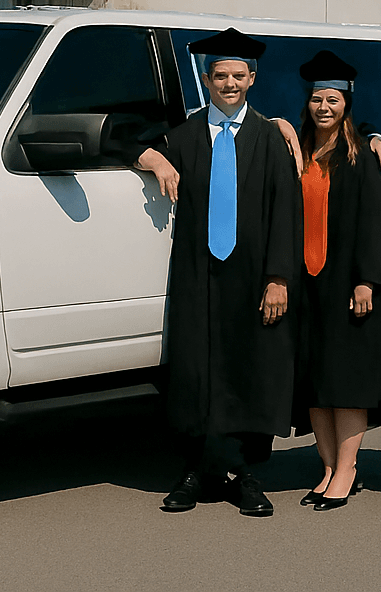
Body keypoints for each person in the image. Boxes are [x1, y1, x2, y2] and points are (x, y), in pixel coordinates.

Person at [133, 28, 302, 518]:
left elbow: (286, 213)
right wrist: (152, 157)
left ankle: (246, 476)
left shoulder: (271, 139)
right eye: (220, 75)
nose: (229, 83)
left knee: (249, 370)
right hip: (198, 276)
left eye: (238, 75)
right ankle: (197, 472)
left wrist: (279, 278)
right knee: (197, 371)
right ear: (206, 79)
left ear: (252, 78)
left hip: (254, 277)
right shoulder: (184, 136)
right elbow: (124, 138)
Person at [293, 51, 381, 511]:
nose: (324, 107)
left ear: (347, 103)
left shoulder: (361, 155)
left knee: (347, 380)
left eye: (333, 99)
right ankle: (330, 465)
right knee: (316, 379)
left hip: (346, 281)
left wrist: (366, 281)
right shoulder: (295, 149)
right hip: (305, 282)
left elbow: (375, 223)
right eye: (317, 99)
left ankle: (348, 468)